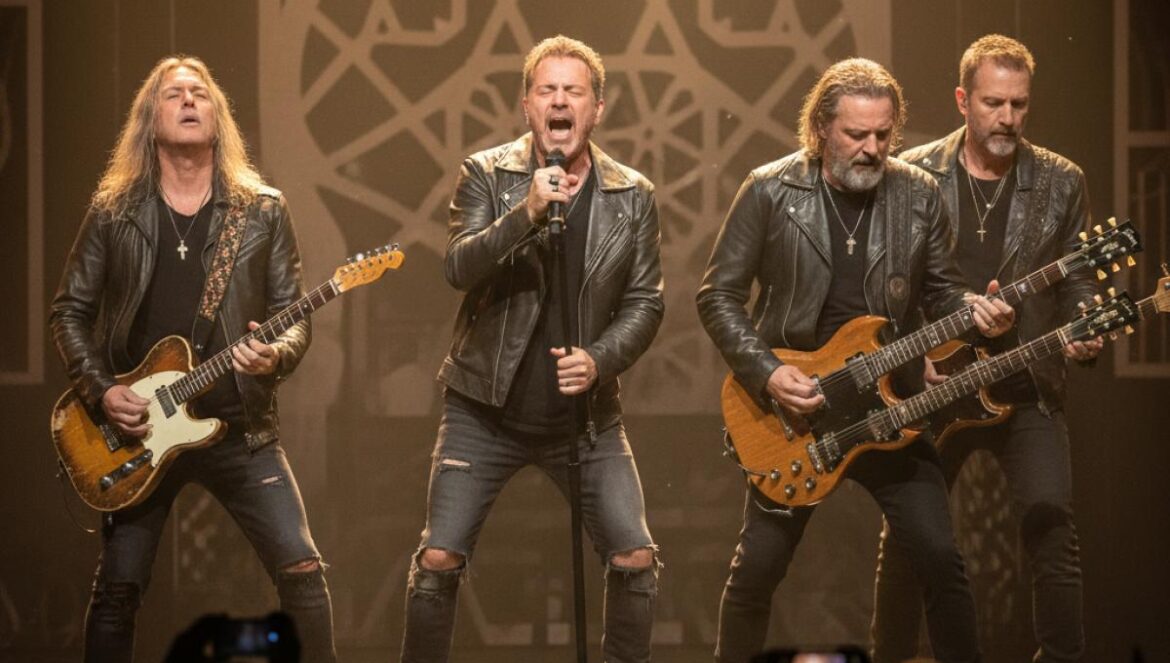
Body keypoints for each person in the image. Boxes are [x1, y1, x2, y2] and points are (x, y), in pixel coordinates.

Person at [696, 57, 1016, 663]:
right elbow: (717, 296)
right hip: (798, 416)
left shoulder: (917, 194)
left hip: (891, 407)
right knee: (756, 573)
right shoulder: (768, 189)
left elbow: (941, 292)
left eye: (883, 135)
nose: (872, 149)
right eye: (856, 134)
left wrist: (975, 310)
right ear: (821, 129)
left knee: (941, 561)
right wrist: (768, 373)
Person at [49, 56, 335, 662]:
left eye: (199, 93)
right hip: (140, 432)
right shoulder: (115, 211)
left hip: (240, 426)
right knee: (118, 591)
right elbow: (68, 312)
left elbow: (294, 313)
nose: (187, 100)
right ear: (150, 119)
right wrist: (103, 390)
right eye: (173, 93)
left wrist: (274, 356)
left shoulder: (262, 210)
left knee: (303, 571)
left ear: (217, 116)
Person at [399, 35, 664, 663]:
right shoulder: (487, 174)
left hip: (586, 418)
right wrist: (527, 212)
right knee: (438, 558)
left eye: (574, 91)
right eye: (547, 90)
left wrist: (600, 359)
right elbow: (459, 266)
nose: (560, 101)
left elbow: (646, 302)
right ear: (527, 105)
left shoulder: (632, 195)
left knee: (635, 556)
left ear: (597, 109)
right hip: (483, 412)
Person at [871, 35, 1100, 663]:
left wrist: (1084, 325)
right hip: (935, 384)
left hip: (1024, 378)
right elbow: (889, 282)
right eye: (994, 103)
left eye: (1019, 104)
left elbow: (1079, 274)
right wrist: (910, 354)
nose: (1007, 118)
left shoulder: (1060, 181)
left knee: (1051, 523)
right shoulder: (912, 174)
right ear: (962, 100)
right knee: (910, 538)